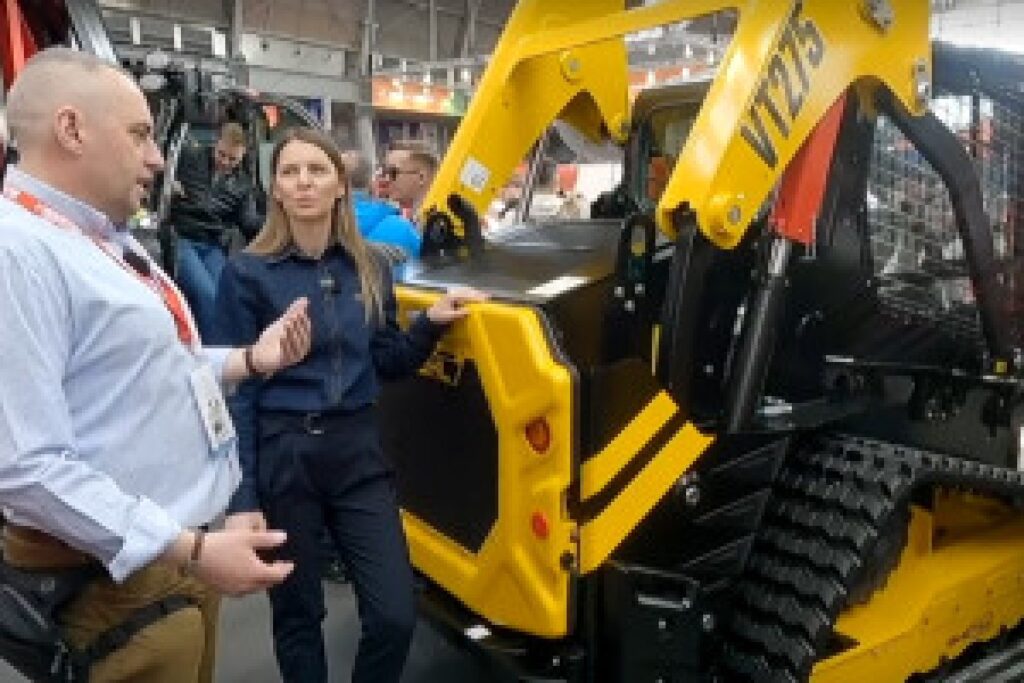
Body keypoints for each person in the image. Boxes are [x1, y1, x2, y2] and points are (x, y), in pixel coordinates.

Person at [0, 47, 313, 682]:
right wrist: (191, 549)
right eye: (140, 134)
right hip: (116, 573)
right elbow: (26, 466)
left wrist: (248, 360)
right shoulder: (18, 253)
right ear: (71, 129)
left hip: (172, 555)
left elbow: (152, 367)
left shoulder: (95, 238)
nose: (157, 159)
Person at [213, 127, 486, 683]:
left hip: (358, 454)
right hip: (285, 456)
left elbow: (386, 359)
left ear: (340, 184)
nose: (304, 182)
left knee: (394, 615)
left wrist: (429, 325)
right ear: (276, 189)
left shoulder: (371, 267)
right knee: (298, 615)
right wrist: (242, 498)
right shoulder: (246, 273)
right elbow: (236, 393)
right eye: (290, 172)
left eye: (317, 170)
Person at [168, 121, 263, 338]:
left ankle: (228, 347)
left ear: (242, 156)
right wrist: (170, 185)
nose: (225, 162)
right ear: (216, 143)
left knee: (226, 295)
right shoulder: (190, 159)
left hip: (213, 244)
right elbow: (162, 175)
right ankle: (212, 351)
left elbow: (248, 222)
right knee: (206, 293)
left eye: (233, 159)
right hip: (184, 238)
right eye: (222, 155)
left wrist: (275, 223)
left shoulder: (243, 185)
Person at [342, 148, 421, 260]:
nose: (388, 179)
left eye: (393, 173)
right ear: (372, 182)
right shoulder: (401, 227)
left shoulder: (322, 227)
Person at [388, 149, 438, 219]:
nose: (387, 179)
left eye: (393, 172)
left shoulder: (441, 220)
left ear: (421, 177)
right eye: (386, 172)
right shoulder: (392, 217)